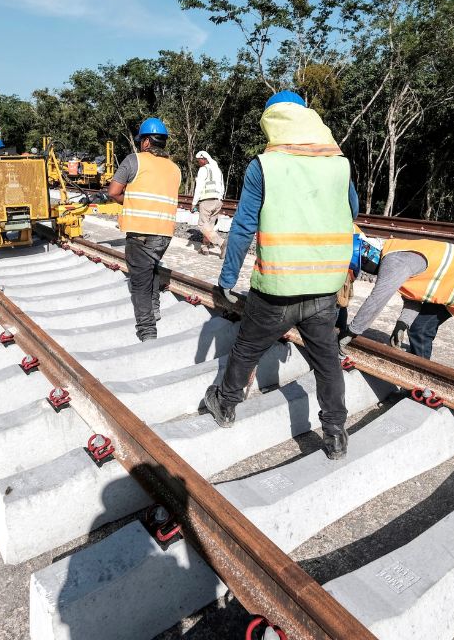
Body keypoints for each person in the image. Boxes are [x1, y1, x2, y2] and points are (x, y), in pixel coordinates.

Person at [200, 91, 357, 461]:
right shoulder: (339, 163)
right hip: (323, 288)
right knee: (327, 362)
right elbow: (352, 208)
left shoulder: (264, 166)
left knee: (246, 348)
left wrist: (226, 280)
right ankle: (335, 434)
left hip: (277, 289)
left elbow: (242, 228)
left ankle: (225, 403)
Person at [340, 234, 454, 388]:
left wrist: (351, 332)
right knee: (420, 329)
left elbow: (377, 300)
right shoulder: (395, 250)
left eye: (365, 265)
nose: (368, 270)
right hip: (451, 285)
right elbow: (417, 291)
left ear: (368, 255)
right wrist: (403, 323)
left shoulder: (394, 262)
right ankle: (418, 382)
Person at [107, 118, 182, 342]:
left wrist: (128, 201)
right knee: (152, 267)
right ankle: (155, 309)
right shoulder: (175, 168)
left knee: (139, 283)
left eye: (142, 141)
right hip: (164, 233)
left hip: (141, 232)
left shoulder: (134, 160)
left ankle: (147, 332)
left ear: (147, 141)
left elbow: (113, 191)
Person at [191, 150, 225, 255]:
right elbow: (222, 185)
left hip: (207, 201)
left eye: (199, 161)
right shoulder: (217, 169)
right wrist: (220, 198)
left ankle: (221, 242)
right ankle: (205, 248)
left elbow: (199, 187)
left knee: (202, 225)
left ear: (203, 159)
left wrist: (194, 203)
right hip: (218, 201)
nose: (198, 163)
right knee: (209, 226)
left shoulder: (203, 169)